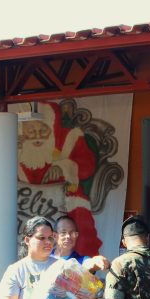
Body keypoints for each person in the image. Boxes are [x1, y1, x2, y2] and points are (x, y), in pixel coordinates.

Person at [17, 101, 101, 255]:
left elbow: (87, 166)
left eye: (42, 130)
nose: (36, 136)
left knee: (79, 221)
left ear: (52, 128)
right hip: (26, 203)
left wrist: (63, 166)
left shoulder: (71, 137)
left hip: (67, 199)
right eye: (31, 131)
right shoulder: (17, 146)